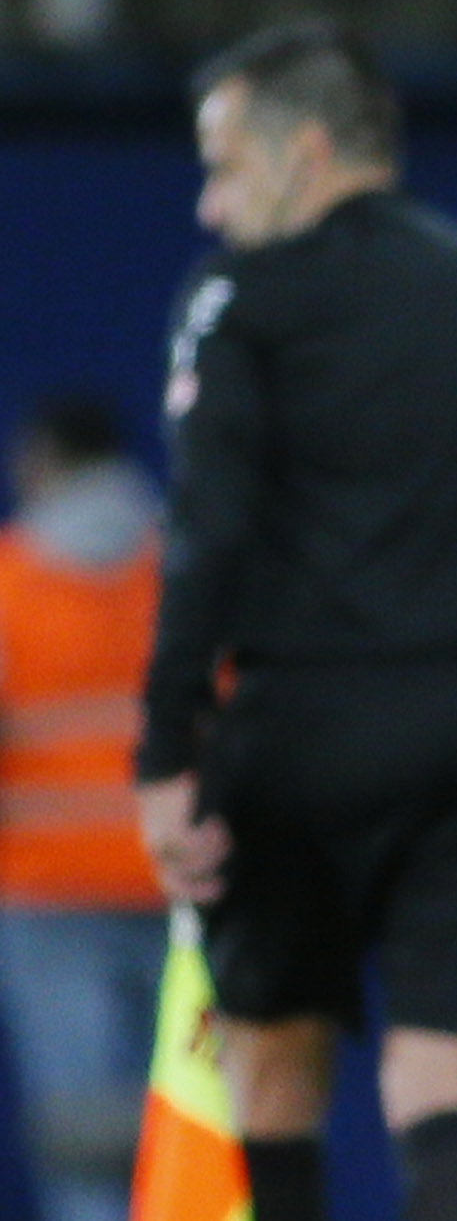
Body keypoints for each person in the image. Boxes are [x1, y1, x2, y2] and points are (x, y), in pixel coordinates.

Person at [132, 22, 457, 1221]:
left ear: (304, 151)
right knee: (448, 1066)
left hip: (303, 720)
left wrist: (164, 752)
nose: (210, 207)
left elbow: (207, 539)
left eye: (223, 168)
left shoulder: (240, 297)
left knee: (271, 1050)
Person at [0, 398, 167, 1221]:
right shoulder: (183, 569)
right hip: (175, 877)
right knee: (190, 1120)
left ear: (44, 460)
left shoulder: (10, 579)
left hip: (48, 885)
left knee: (80, 1128)